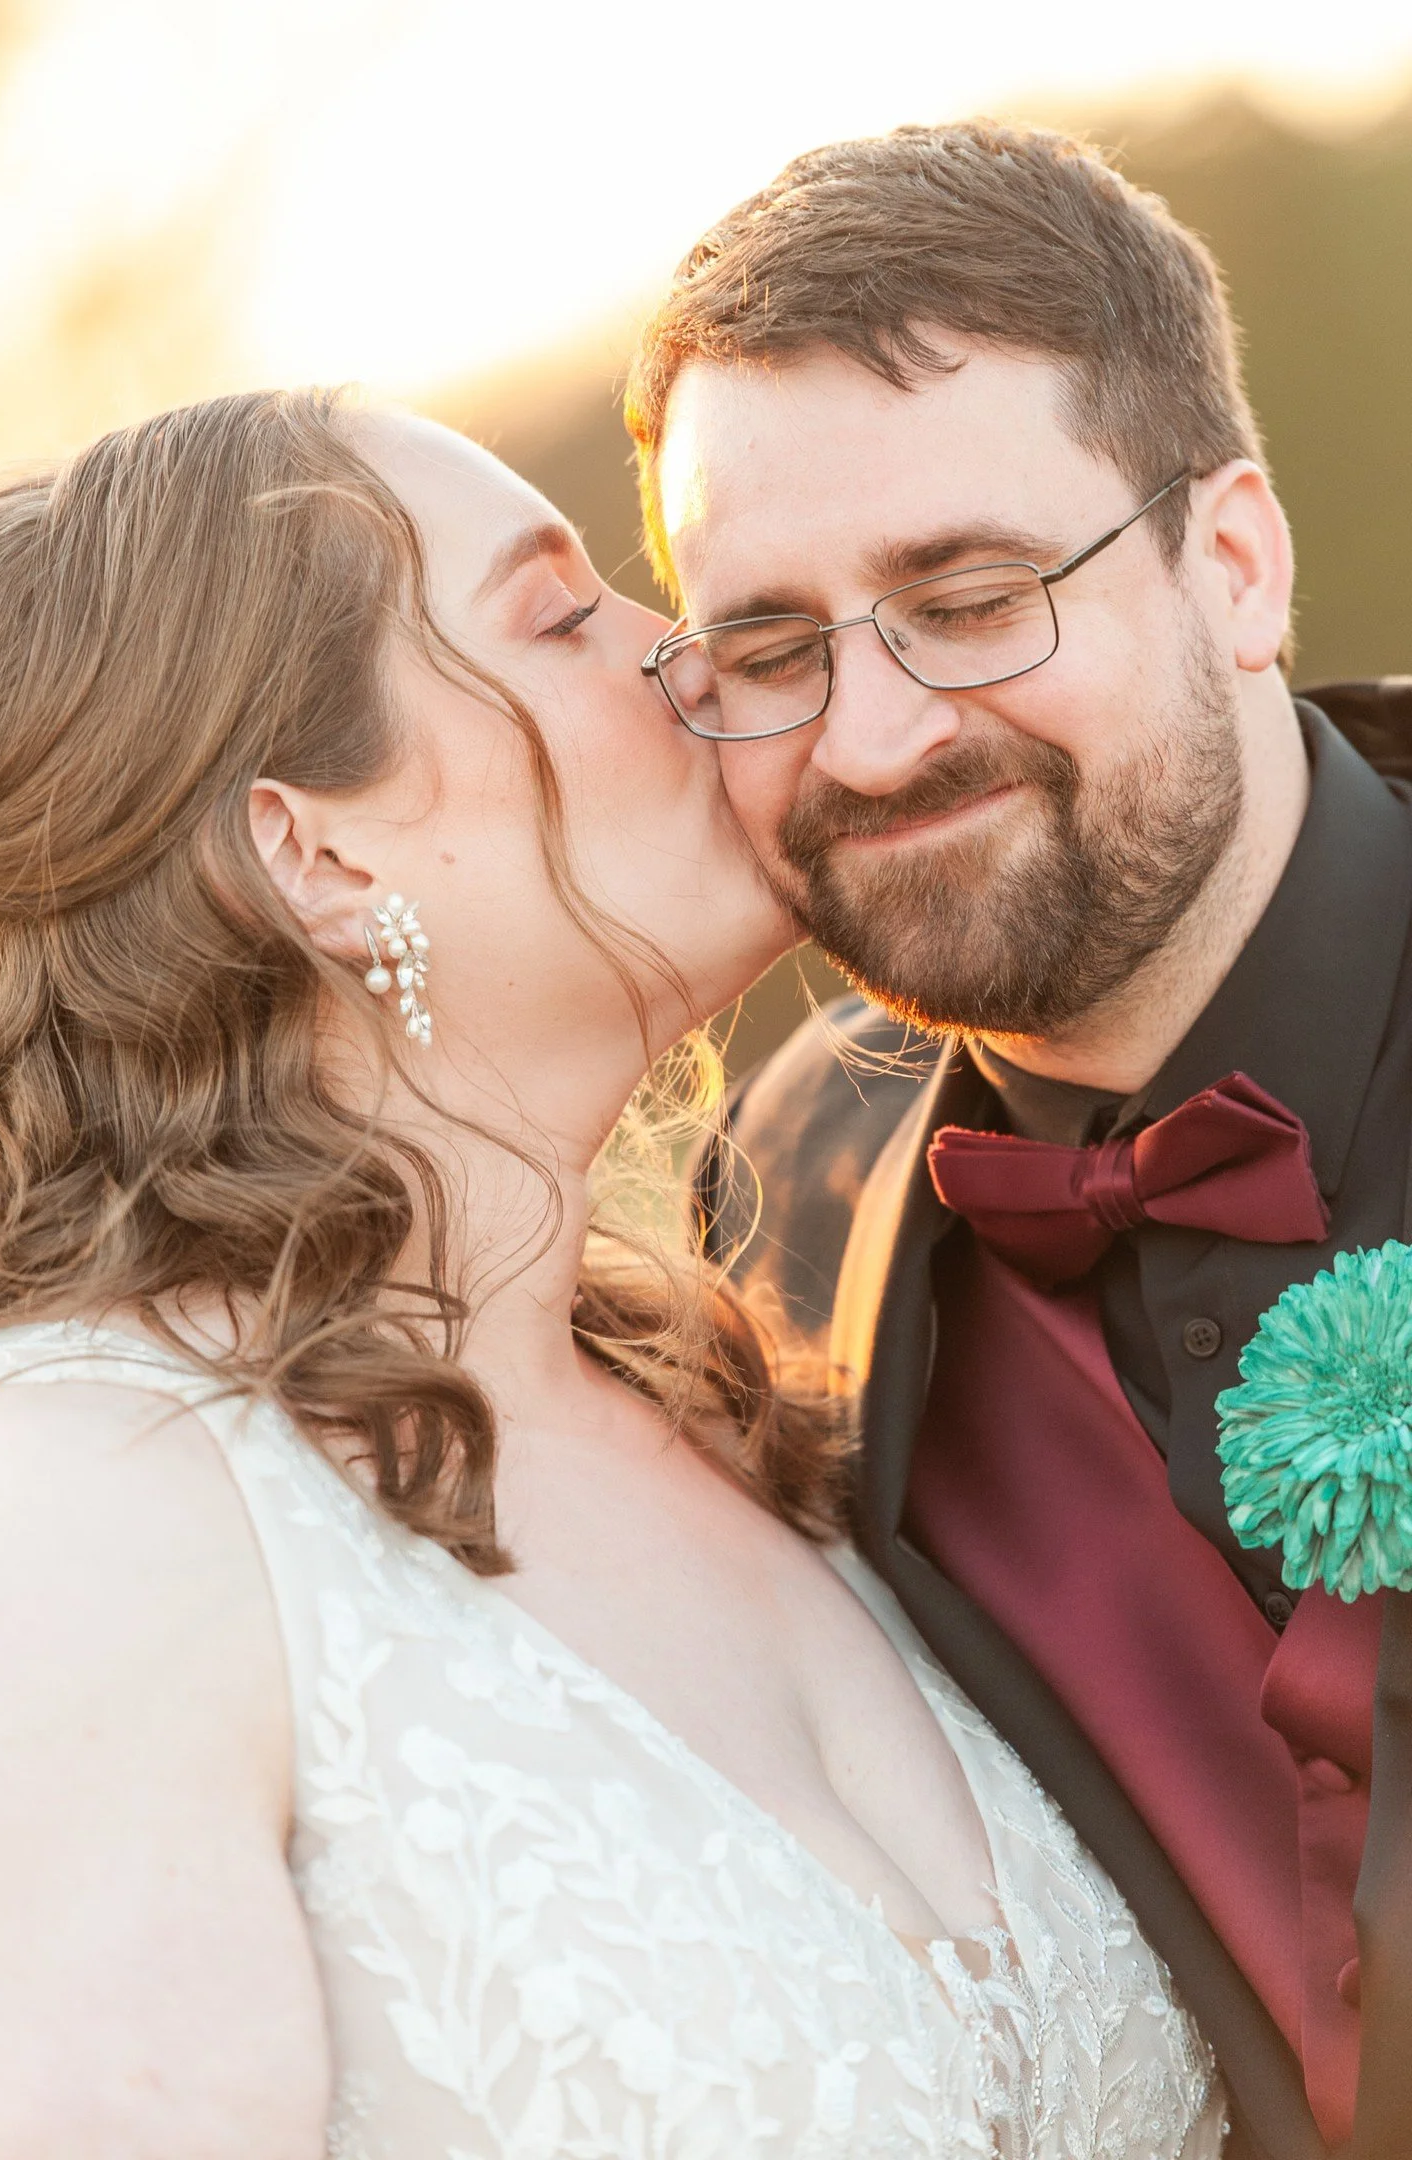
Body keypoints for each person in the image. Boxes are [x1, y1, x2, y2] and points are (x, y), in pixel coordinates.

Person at [0, 388, 1223, 2158]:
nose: (696, 660)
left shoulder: (754, 1425)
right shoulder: (92, 1510)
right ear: (316, 853)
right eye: (564, 619)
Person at [626, 121, 1412, 2160]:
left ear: (1232, 562)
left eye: (970, 599)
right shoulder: (777, 1212)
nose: (873, 739)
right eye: (774, 650)